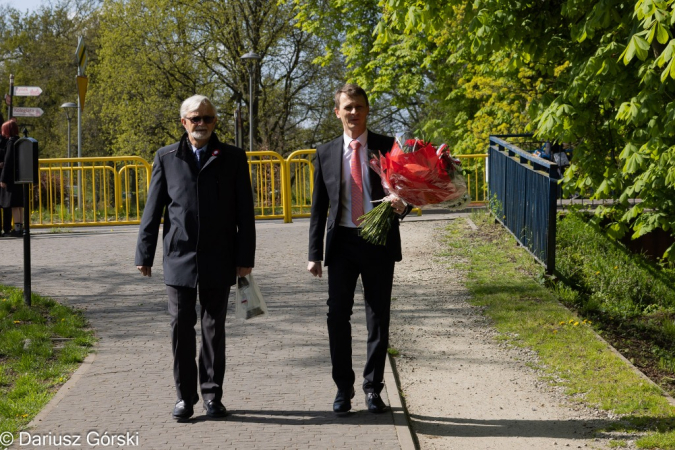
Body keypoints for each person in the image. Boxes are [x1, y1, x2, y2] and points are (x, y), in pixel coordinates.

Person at [135, 94, 256, 421]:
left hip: (220, 256)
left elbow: (245, 212)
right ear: (183, 122)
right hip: (179, 258)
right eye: (195, 118)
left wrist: (246, 256)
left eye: (207, 118)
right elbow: (153, 211)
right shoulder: (166, 157)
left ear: (215, 121)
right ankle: (184, 398)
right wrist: (144, 253)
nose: (201, 124)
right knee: (180, 328)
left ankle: (212, 396)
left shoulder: (233, 157)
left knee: (214, 329)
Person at [307, 83, 408, 415]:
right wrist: (314, 254)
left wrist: (401, 204)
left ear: (367, 111)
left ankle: (373, 388)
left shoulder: (387, 146)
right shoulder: (325, 153)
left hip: (378, 241)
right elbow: (319, 208)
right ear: (337, 112)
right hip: (342, 246)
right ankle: (343, 388)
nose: (353, 113)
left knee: (378, 317)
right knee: (337, 316)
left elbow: (406, 193)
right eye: (347, 107)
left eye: (359, 107)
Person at [0, 119, 24, 237]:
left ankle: (17, 229)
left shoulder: (10, 143)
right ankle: (20, 227)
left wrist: (3, 179)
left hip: (11, 179)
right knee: (19, 205)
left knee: (14, 204)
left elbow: (8, 162)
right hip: (19, 177)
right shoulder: (19, 141)